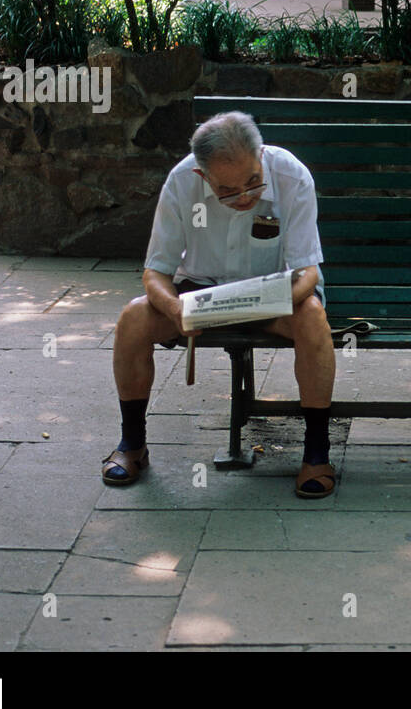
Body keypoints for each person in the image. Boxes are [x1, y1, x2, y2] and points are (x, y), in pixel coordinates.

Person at [105, 112, 338, 499]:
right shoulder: (182, 181)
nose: (245, 196)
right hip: (201, 291)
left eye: (252, 181)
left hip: (274, 292)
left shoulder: (291, 176)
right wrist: (175, 309)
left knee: (312, 317)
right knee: (133, 318)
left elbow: (307, 273)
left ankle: (317, 454)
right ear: (203, 177)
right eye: (228, 190)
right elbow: (155, 273)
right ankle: (133, 444)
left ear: (260, 155)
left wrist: (268, 304)